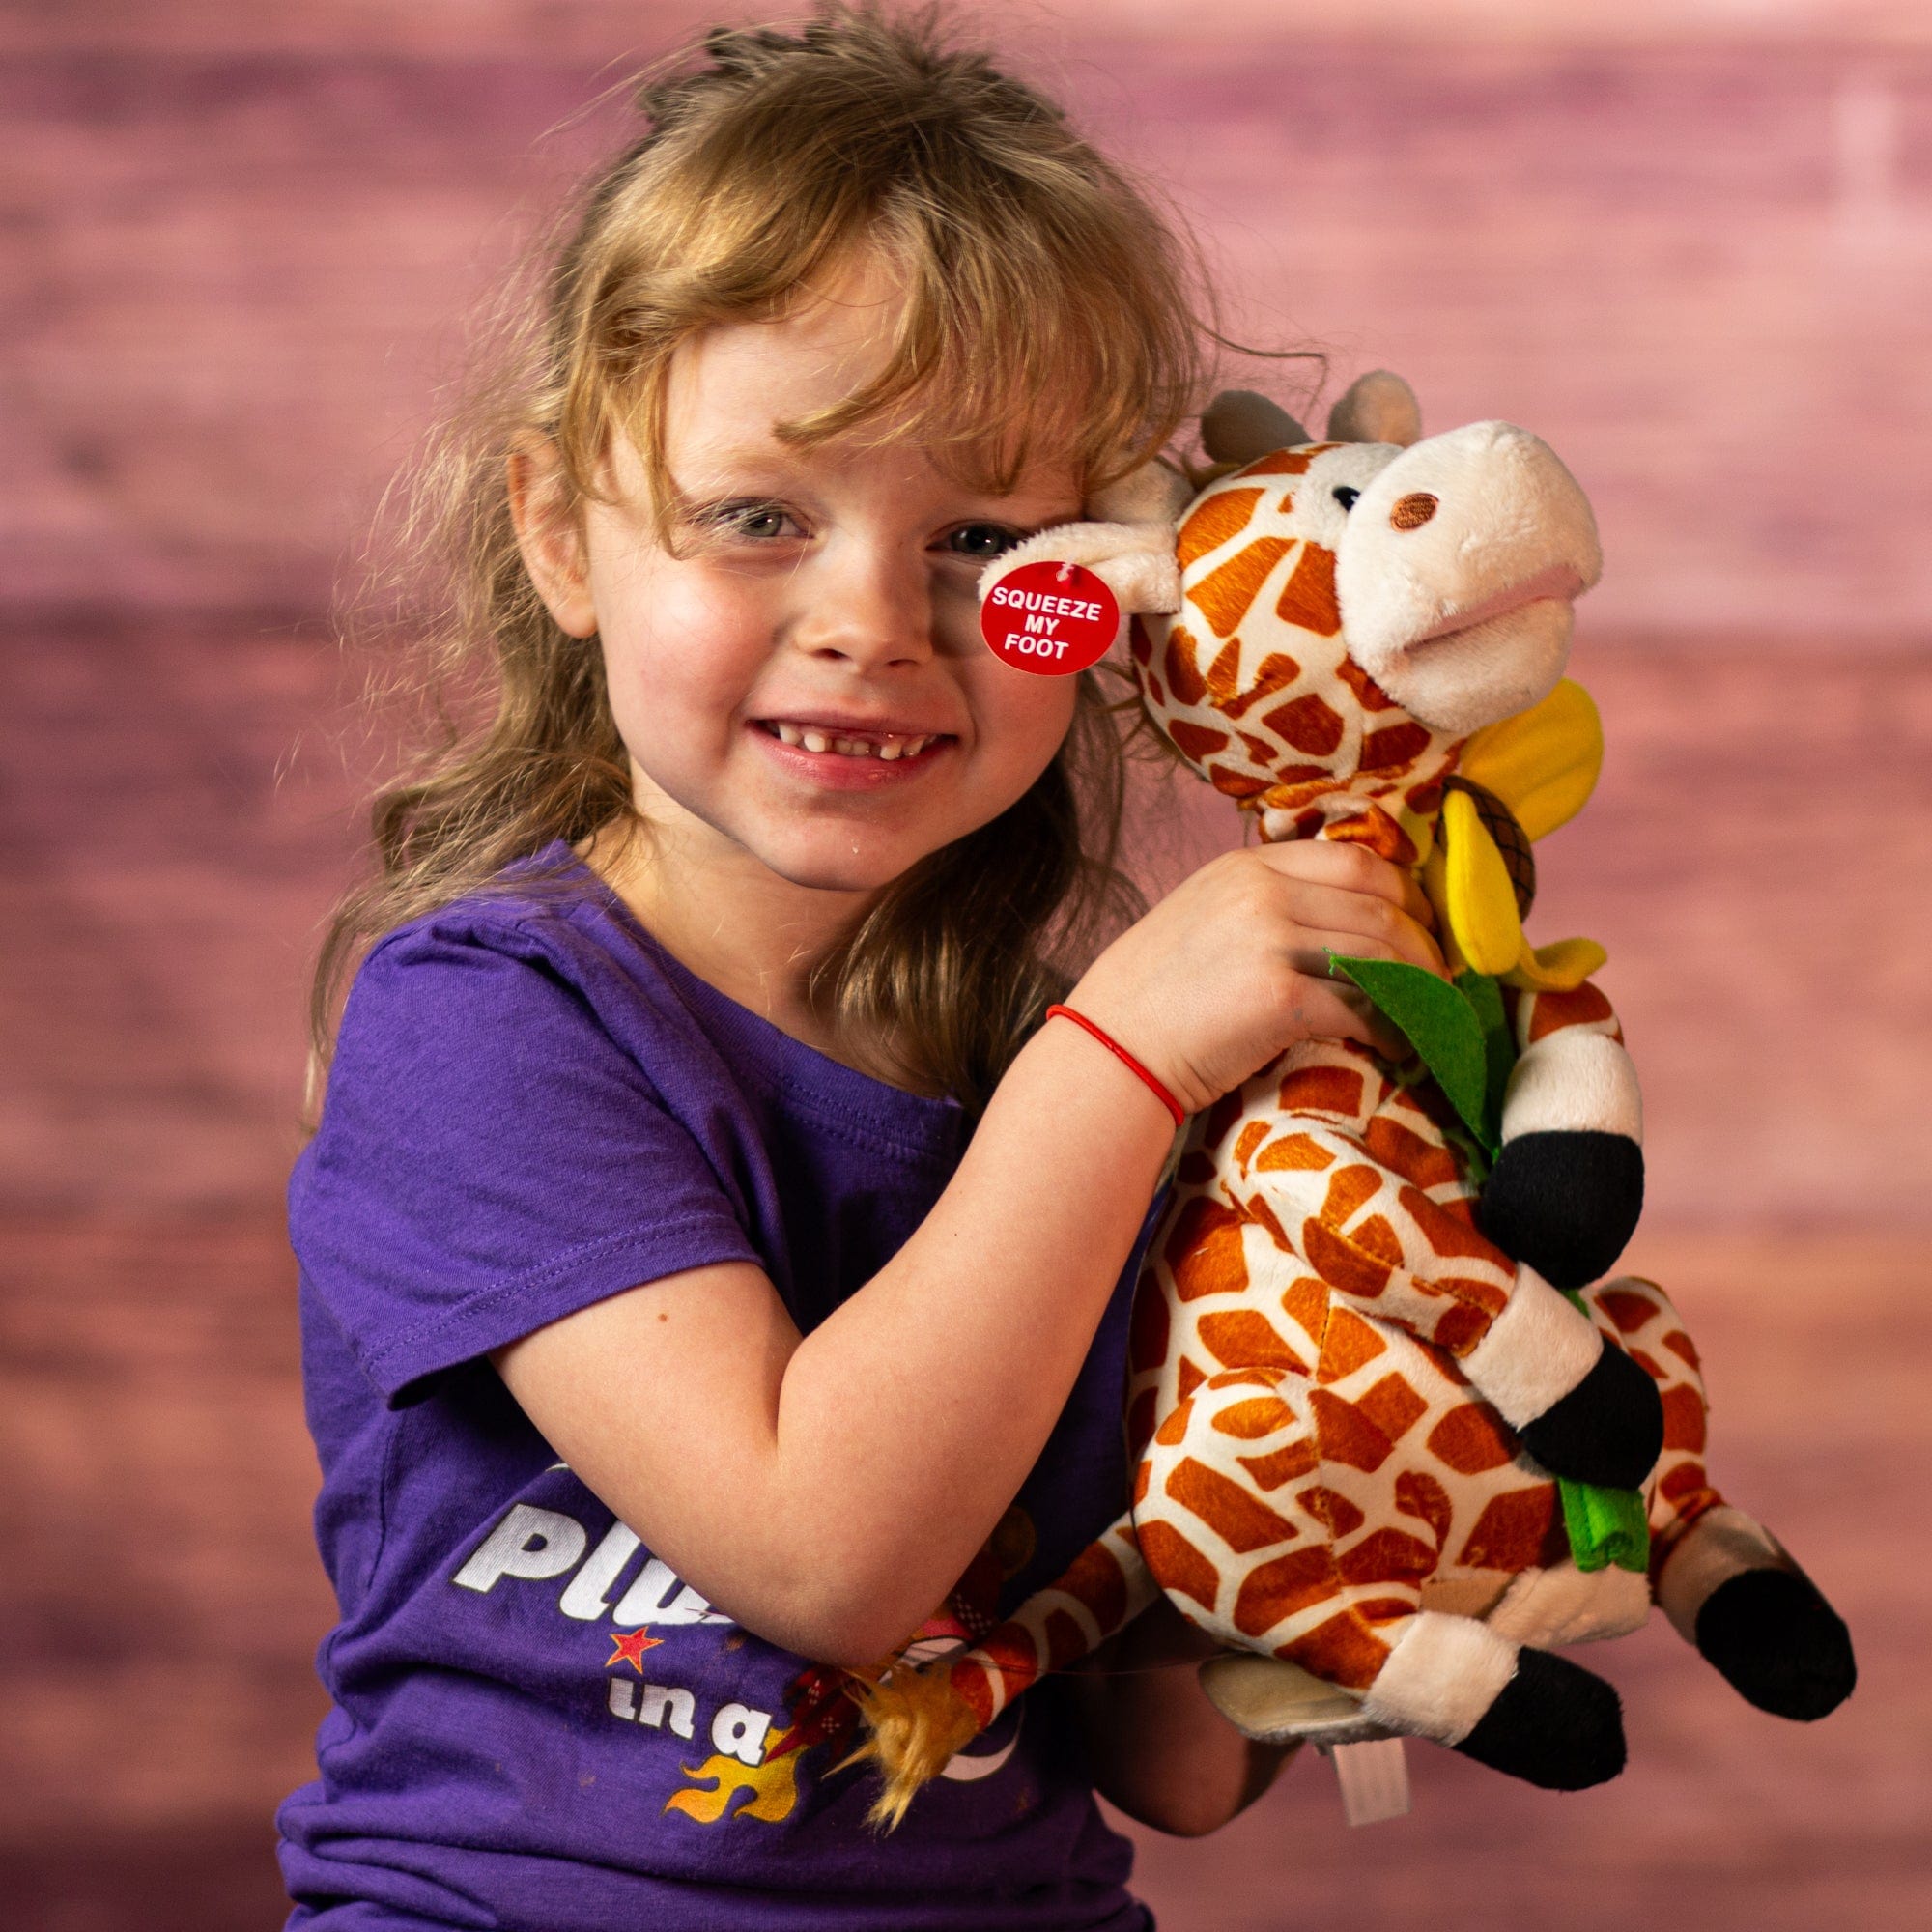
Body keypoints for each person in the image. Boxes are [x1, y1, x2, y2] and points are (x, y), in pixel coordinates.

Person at [279, 9, 1444, 1927]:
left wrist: (1355, 1447)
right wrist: (1125, 1061)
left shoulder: (1055, 1068)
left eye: (984, 538)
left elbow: (1174, 1766)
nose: (874, 626)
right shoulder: (484, 1021)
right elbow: (819, 1555)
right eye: (758, 519)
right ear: (563, 529)